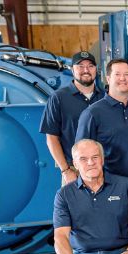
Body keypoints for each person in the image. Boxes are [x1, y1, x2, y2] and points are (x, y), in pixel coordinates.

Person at [76, 59, 128, 186]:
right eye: (117, 74)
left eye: (126, 74)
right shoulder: (92, 113)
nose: (123, 78)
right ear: (108, 79)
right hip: (108, 187)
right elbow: (81, 154)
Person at [40, 51, 105, 185]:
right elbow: (51, 138)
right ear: (72, 70)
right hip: (74, 171)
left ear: (96, 69)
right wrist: (65, 170)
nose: (86, 70)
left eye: (90, 66)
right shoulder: (58, 98)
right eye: (80, 66)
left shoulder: (105, 97)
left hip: (103, 169)